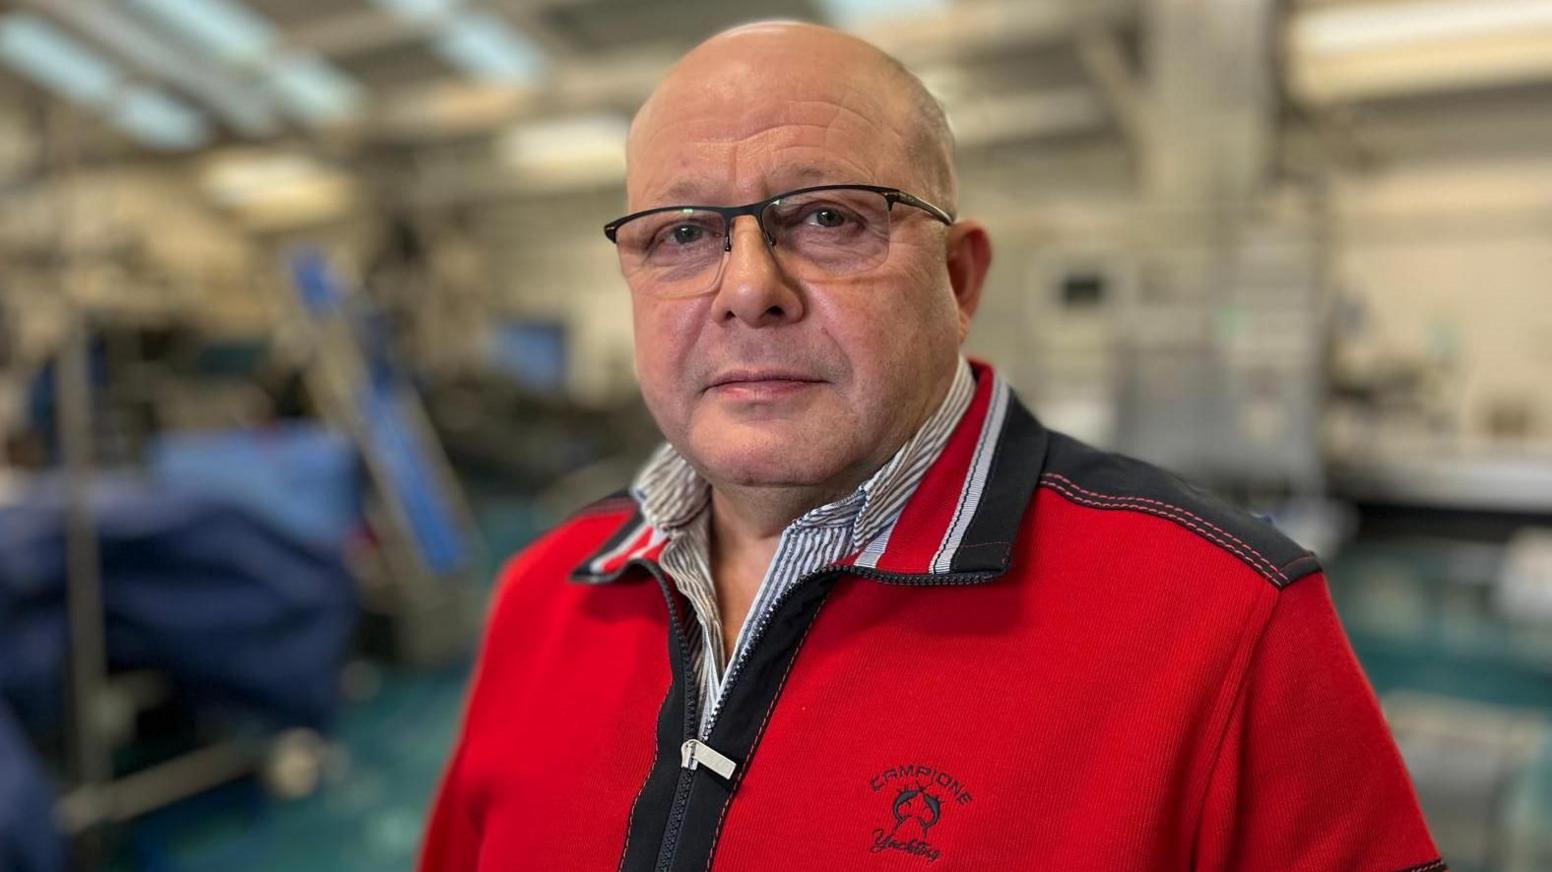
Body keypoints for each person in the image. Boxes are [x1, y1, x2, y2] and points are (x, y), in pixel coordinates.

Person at [420, 21, 1444, 872]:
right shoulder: (544, 596)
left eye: (827, 217)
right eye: (681, 233)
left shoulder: (1226, 626)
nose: (745, 288)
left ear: (958, 280)